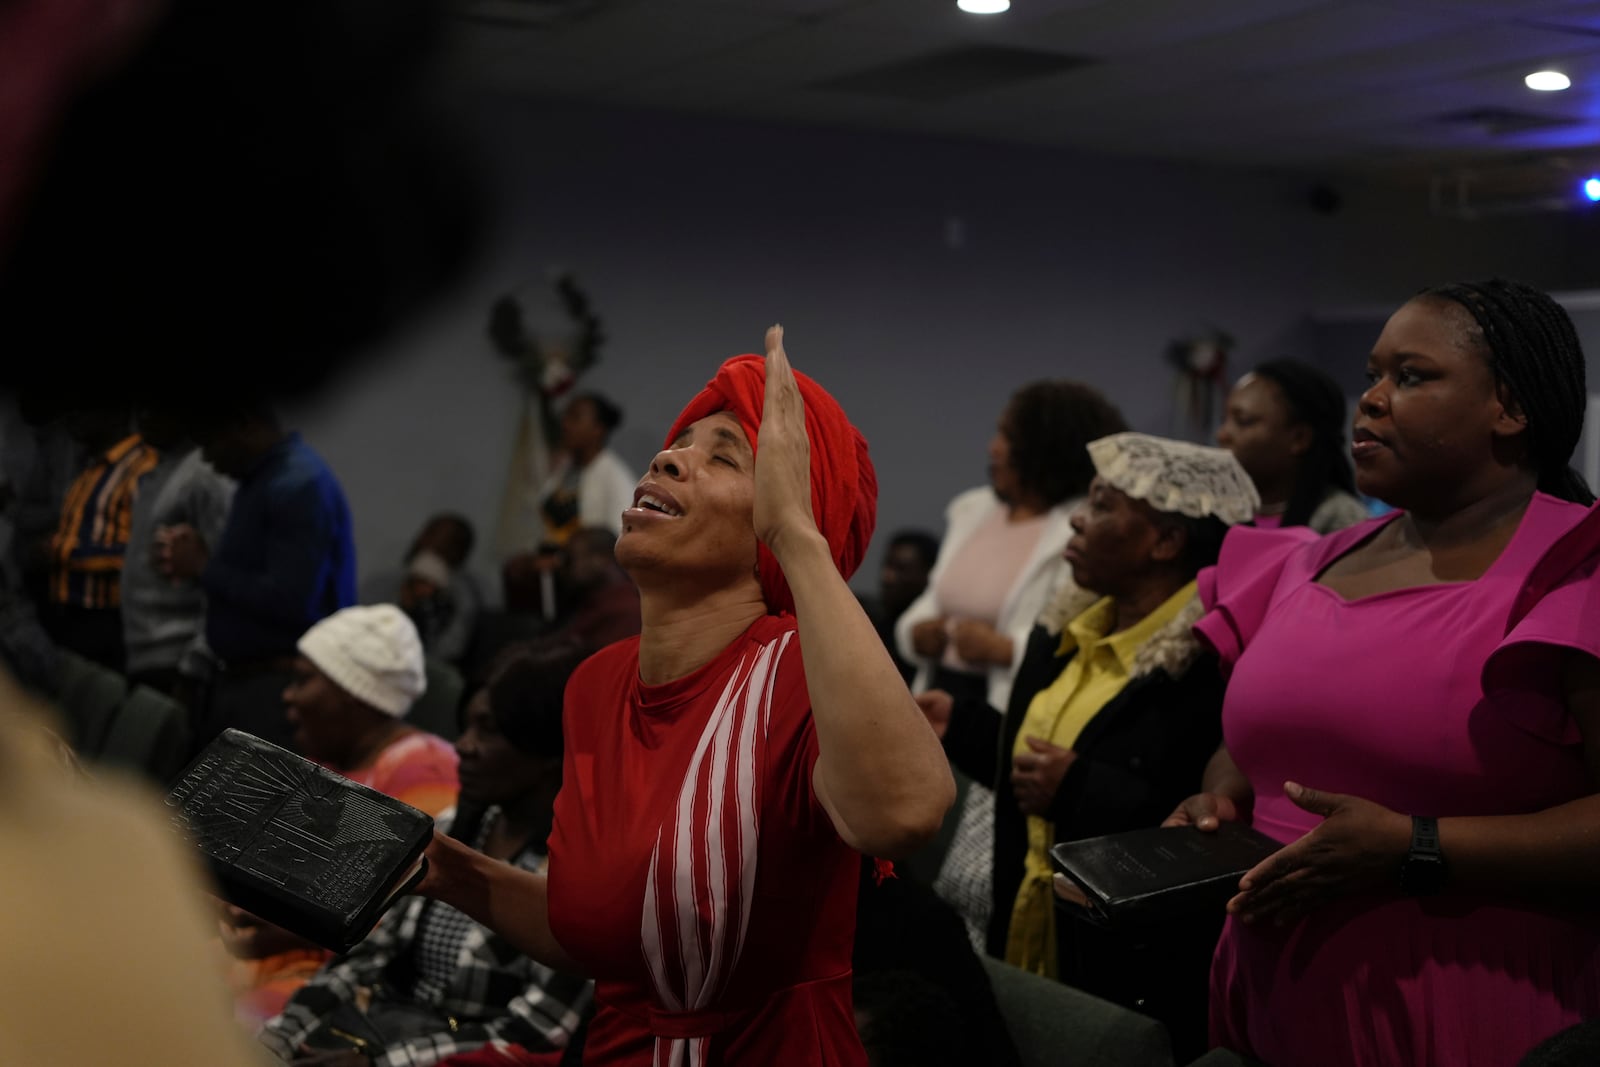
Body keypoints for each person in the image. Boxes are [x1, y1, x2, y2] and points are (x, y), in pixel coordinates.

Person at [416, 328, 955, 1066]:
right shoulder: (596, 682)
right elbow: (611, 924)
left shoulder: (801, 673)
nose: (668, 456)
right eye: (680, 442)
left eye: (725, 455)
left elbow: (906, 813)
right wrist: (446, 869)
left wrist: (797, 533)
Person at [1168, 278, 1600, 1067]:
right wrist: (1221, 795)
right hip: (1272, 991)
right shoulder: (1306, 561)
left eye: (1410, 376)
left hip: (1472, 1000)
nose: (1368, 401)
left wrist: (1419, 845)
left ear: (1509, 407)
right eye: (1371, 375)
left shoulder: (1574, 571)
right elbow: (1258, 738)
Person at [919, 432, 1255, 1058]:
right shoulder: (1067, 630)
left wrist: (1080, 788)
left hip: (1124, 970)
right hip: (1029, 920)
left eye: (1102, 505)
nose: (1077, 515)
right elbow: (1044, 757)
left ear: (1166, 541)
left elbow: (1201, 825)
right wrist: (963, 726)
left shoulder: (1208, 666)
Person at [259, 644, 592, 1067]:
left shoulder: (574, 870)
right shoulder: (454, 827)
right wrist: (281, 1037)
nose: (465, 747)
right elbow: (366, 959)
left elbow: (538, 1033)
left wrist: (382, 1064)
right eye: (466, 727)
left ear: (545, 748)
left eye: (488, 730)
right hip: (382, 1034)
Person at [896, 379, 1127, 948]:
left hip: (1001, 719)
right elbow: (934, 598)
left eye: (1006, 435)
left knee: (969, 880)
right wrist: (914, 631)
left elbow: (1076, 629)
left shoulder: (1078, 525)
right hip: (937, 704)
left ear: (1043, 447)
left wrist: (1006, 649)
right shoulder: (973, 510)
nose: (993, 448)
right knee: (914, 864)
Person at [223, 603, 461, 1028]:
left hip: (334, 980)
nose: (288, 695)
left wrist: (286, 922)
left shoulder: (423, 770)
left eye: (304, 680)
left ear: (354, 692)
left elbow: (410, 914)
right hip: (270, 957)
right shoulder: (332, 761)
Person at [163, 403, 358, 753]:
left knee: (240, 805)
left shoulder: (298, 484)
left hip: (276, 687)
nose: (207, 459)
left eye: (210, 443)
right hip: (245, 680)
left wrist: (204, 567)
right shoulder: (262, 480)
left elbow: (293, 601)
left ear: (242, 424)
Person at [121, 406, 234, 695]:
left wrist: (197, 662)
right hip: (144, 655)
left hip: (177, 659)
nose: (143, 413)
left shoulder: (204, 472)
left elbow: (223, 574)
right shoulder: (156, 471)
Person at [38, 406, 158, 672]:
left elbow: (141, 554)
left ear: (114, 412)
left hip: (108, 621)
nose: (73, 416)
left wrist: (65, 552)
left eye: (84, 407)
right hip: (71, 614)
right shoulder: (91, 468)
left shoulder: (141, 467)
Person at [503, 393, 636, 616]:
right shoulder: (565, 471)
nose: (565, 424)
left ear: (598, 429)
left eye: (575, 418)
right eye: (565, 417)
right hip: (552, 562)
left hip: (580, 568)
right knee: (515, 569)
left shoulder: (614, 476)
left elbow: (619, 538)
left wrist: (561, 560)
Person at [1215, 358, 1368, 533]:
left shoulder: (1343, 522)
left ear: (1299, 439)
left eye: (1243, 421)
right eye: (1223, 420)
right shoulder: (1215, 512)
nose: (1222, 434)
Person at [860, 530, 938, 685]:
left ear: (930, 574)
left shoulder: (933, 636)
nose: (887, 576)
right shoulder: (867, 621)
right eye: (887, 565)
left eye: (902, 569)